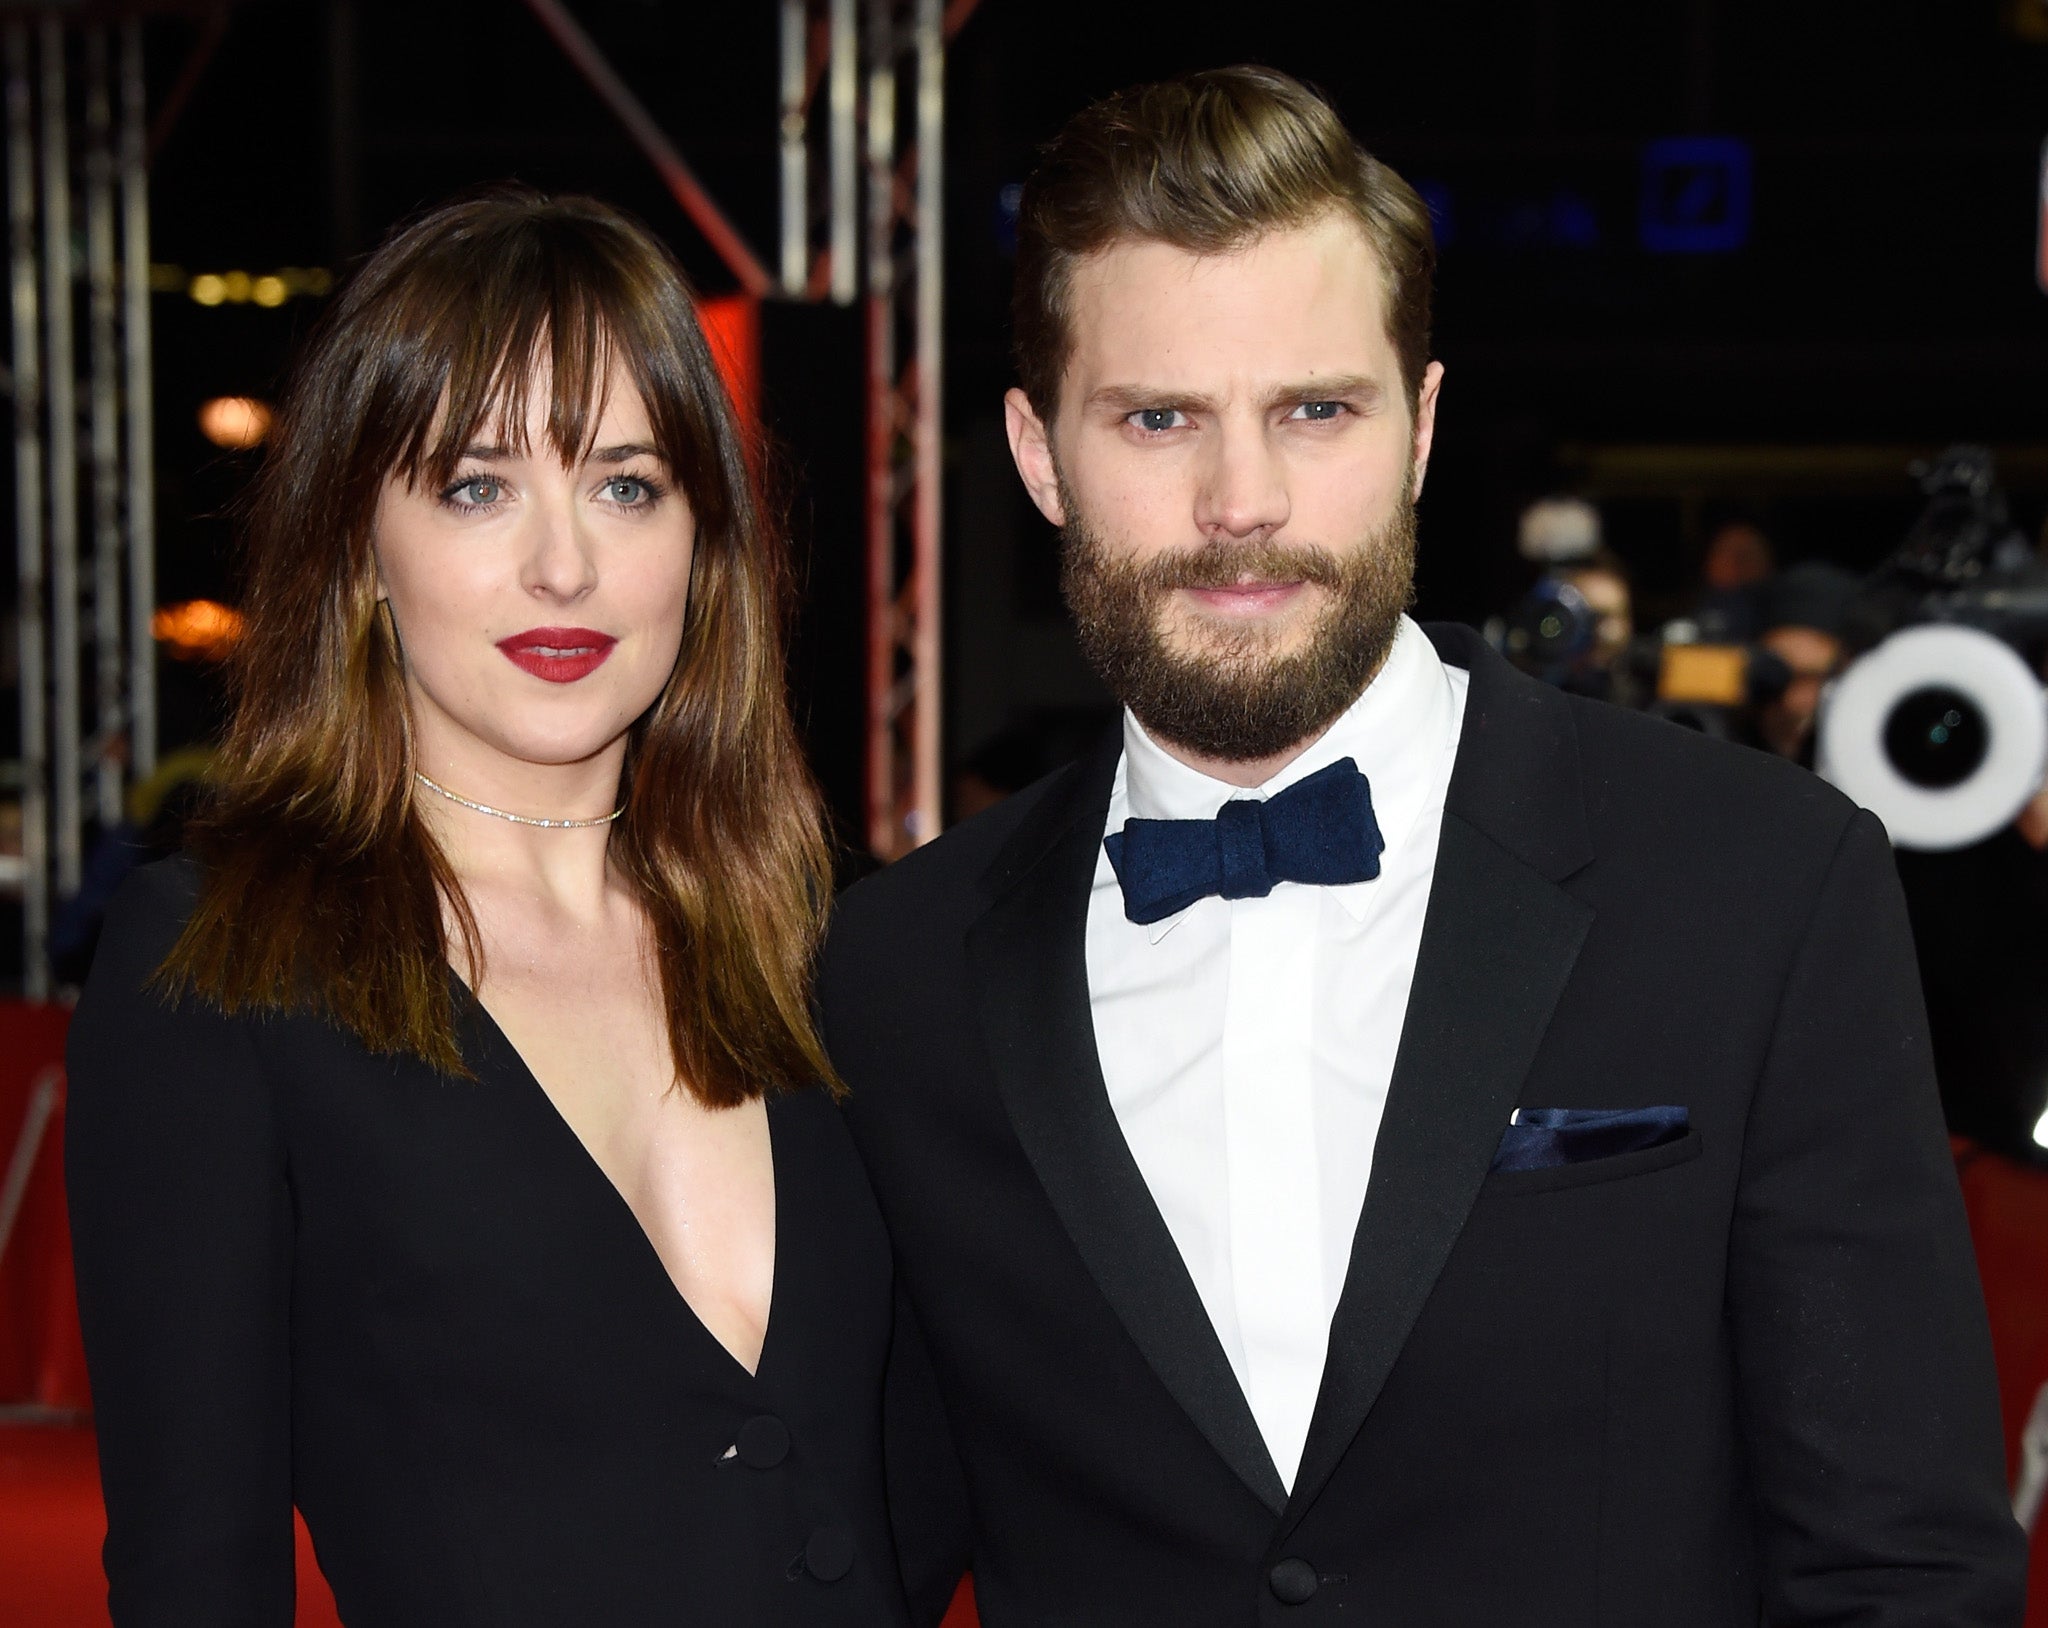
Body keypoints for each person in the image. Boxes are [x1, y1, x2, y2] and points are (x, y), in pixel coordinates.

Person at [819, 68, 2027, 1626]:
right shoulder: (895, 974)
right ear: (1041, 452)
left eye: (1314, 410)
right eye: (1158, 417)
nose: (1240, 501)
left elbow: (1901, 1570)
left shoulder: (1759, 886)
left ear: (1421, 427)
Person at [65, 190, 908, 1625]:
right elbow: (191, 1568)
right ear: (359, 549)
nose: (563, 564)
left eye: (628, 484)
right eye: (477, 485)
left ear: (704, 547)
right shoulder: (223, 963)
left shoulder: (822, 944)